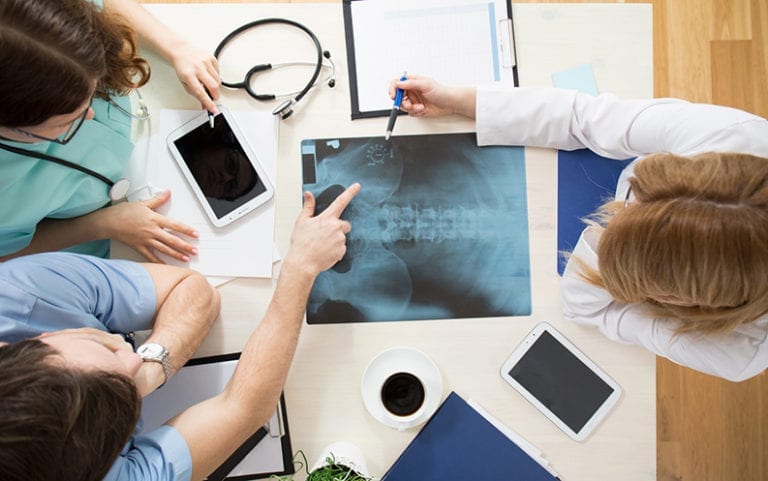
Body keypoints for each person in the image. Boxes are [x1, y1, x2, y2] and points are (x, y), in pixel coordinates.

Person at [389, 74, 768, 382]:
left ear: (677, 299)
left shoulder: (741, 351)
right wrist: (462, 101)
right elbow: (584, 118)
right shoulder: (732, 138)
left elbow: (584, 305)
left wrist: (608, 241)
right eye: (639, 194)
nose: (620, 208)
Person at [0, 183, 361, 481]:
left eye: (107, 349)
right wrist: (299, 268)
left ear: (39, 340)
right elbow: (245, 408)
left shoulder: (16, 295)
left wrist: (150, 372)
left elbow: (192, 292)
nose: (130, 357)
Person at [0, 0, 222, 263]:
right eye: (68, 119)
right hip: (94, 242)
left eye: (92, 94)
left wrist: (176, 48)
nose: (90, 113)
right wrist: (103, 224)